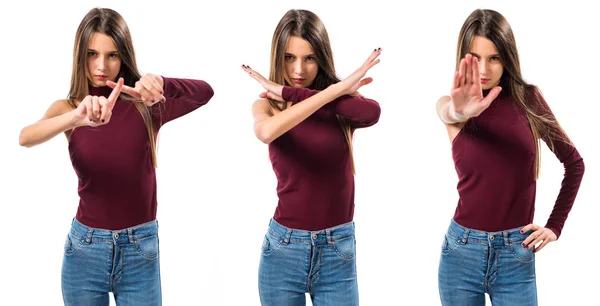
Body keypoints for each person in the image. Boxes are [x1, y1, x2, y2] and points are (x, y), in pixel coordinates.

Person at [18, 7, 214, 305]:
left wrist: (161, 82)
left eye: (112, 55)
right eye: (92, 54)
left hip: (140, 249)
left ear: (123, 56)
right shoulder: (69, 107)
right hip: (85, 249)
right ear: (80, 55)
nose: (101, 65)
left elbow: (205, 92)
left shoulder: (144, 103)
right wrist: (75, 118)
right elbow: (25, 137)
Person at [435, 9, 584, 305]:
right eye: (475, 58)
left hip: (515, 255)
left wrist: (555, 226)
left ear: (508, 58)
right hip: (461, 252)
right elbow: (446, 111)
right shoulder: (454, 105)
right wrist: (460, 111)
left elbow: (574, 163)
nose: (485, 69)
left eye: (495, 58)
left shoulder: (529, 100)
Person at [241, 9, 381, 306]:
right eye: (290, 58)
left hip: (337, 249)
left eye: (310, 58)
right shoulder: (266, 106)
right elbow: (265, 133)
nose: (299, 70)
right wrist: (333, 91)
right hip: (284, 250)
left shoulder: (341, 106)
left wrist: (315, 93)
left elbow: (372, 113)